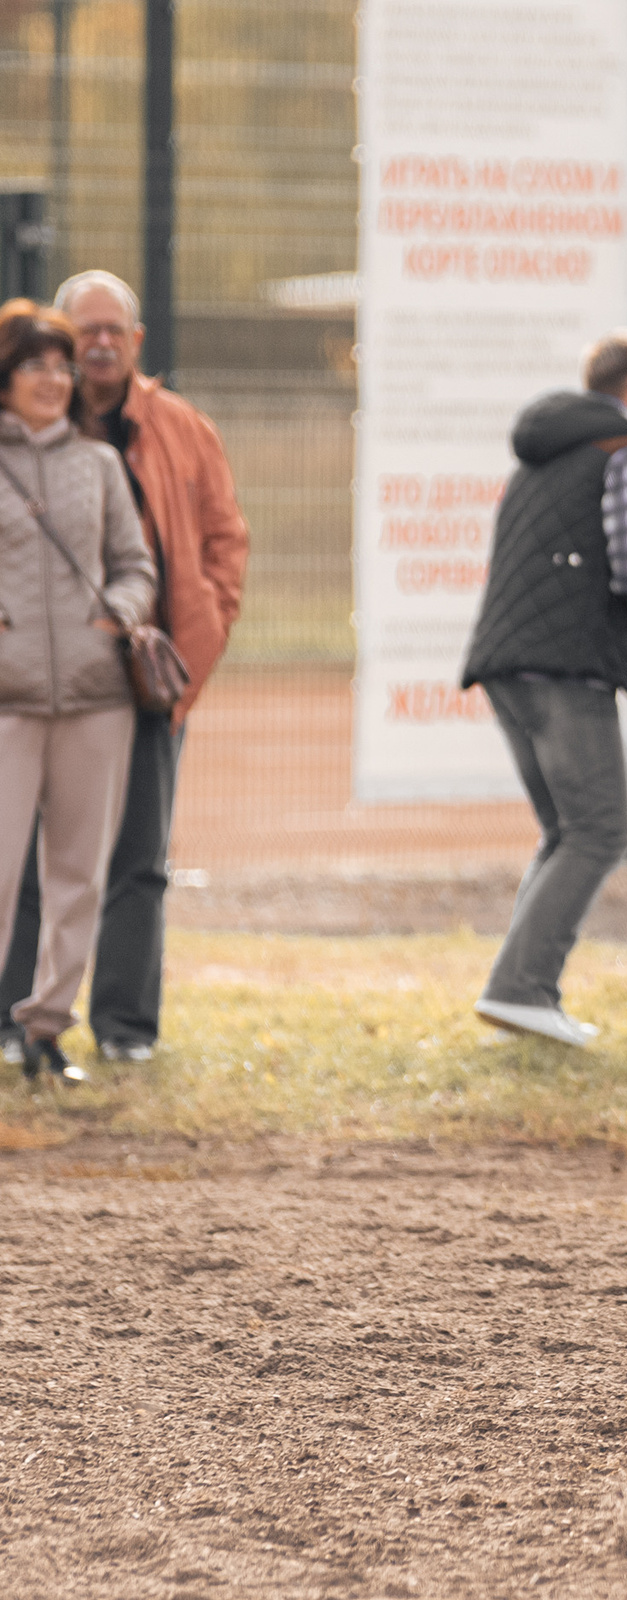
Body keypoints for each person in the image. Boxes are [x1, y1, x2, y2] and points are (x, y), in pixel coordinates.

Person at [0, 270, 247, 1068]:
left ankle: (111, 1027)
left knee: (128, 861)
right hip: (19, 691)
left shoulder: (172, 431)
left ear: (134, 342)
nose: (92, 349)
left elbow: (214, 544)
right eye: (79, 336)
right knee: (17, 866)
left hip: (129, 686)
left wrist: (171, 632)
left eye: (111, 332)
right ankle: (13, 1019)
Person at [460, 327, 627, 1047]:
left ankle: (520, 993)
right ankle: (520, 988)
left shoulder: (547, 446)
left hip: (507, 661)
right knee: (601, 828)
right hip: (569, 665)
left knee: (567, 829)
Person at [0, 300, 159, 1083]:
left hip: (97, 699)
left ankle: (45, 1031)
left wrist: (120, 612)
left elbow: (136, 562)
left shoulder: (98, 464)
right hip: (8, 699)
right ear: (6, 376)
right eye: (37, 364)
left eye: (62, 367)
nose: (55, 379)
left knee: (78, 874)